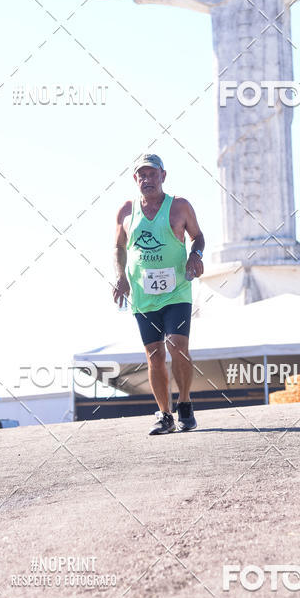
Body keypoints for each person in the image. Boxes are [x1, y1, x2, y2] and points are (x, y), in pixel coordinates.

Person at [113, 154, 205, 435]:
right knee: (154, 355)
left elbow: (198, 236)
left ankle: (185, 403)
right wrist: (120, 276)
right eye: (141, 174)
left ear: (163, 176)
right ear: (135, 179)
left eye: (152, 174)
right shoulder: (127, 211)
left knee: (177, 346)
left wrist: (195, 255)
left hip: (177, 290)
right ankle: (165, 414)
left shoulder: (179, 207)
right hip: (144, 294)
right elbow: (119, 247)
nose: (147, 179)